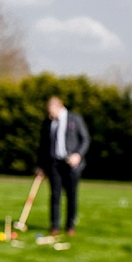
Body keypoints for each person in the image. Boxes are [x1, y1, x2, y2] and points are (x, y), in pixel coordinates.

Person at [38, 95, 89, 237]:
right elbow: (43, 146)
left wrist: (78, 155)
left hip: (71, 164)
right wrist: (40, 166)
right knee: (55, 195)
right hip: (54, 164)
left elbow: (85, 139)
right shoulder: (48, 123)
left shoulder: (75, 119)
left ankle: (70, 226)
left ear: (59, 107)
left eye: (51, 111)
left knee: (71, 195)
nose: (50, 114)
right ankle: (54, 226)